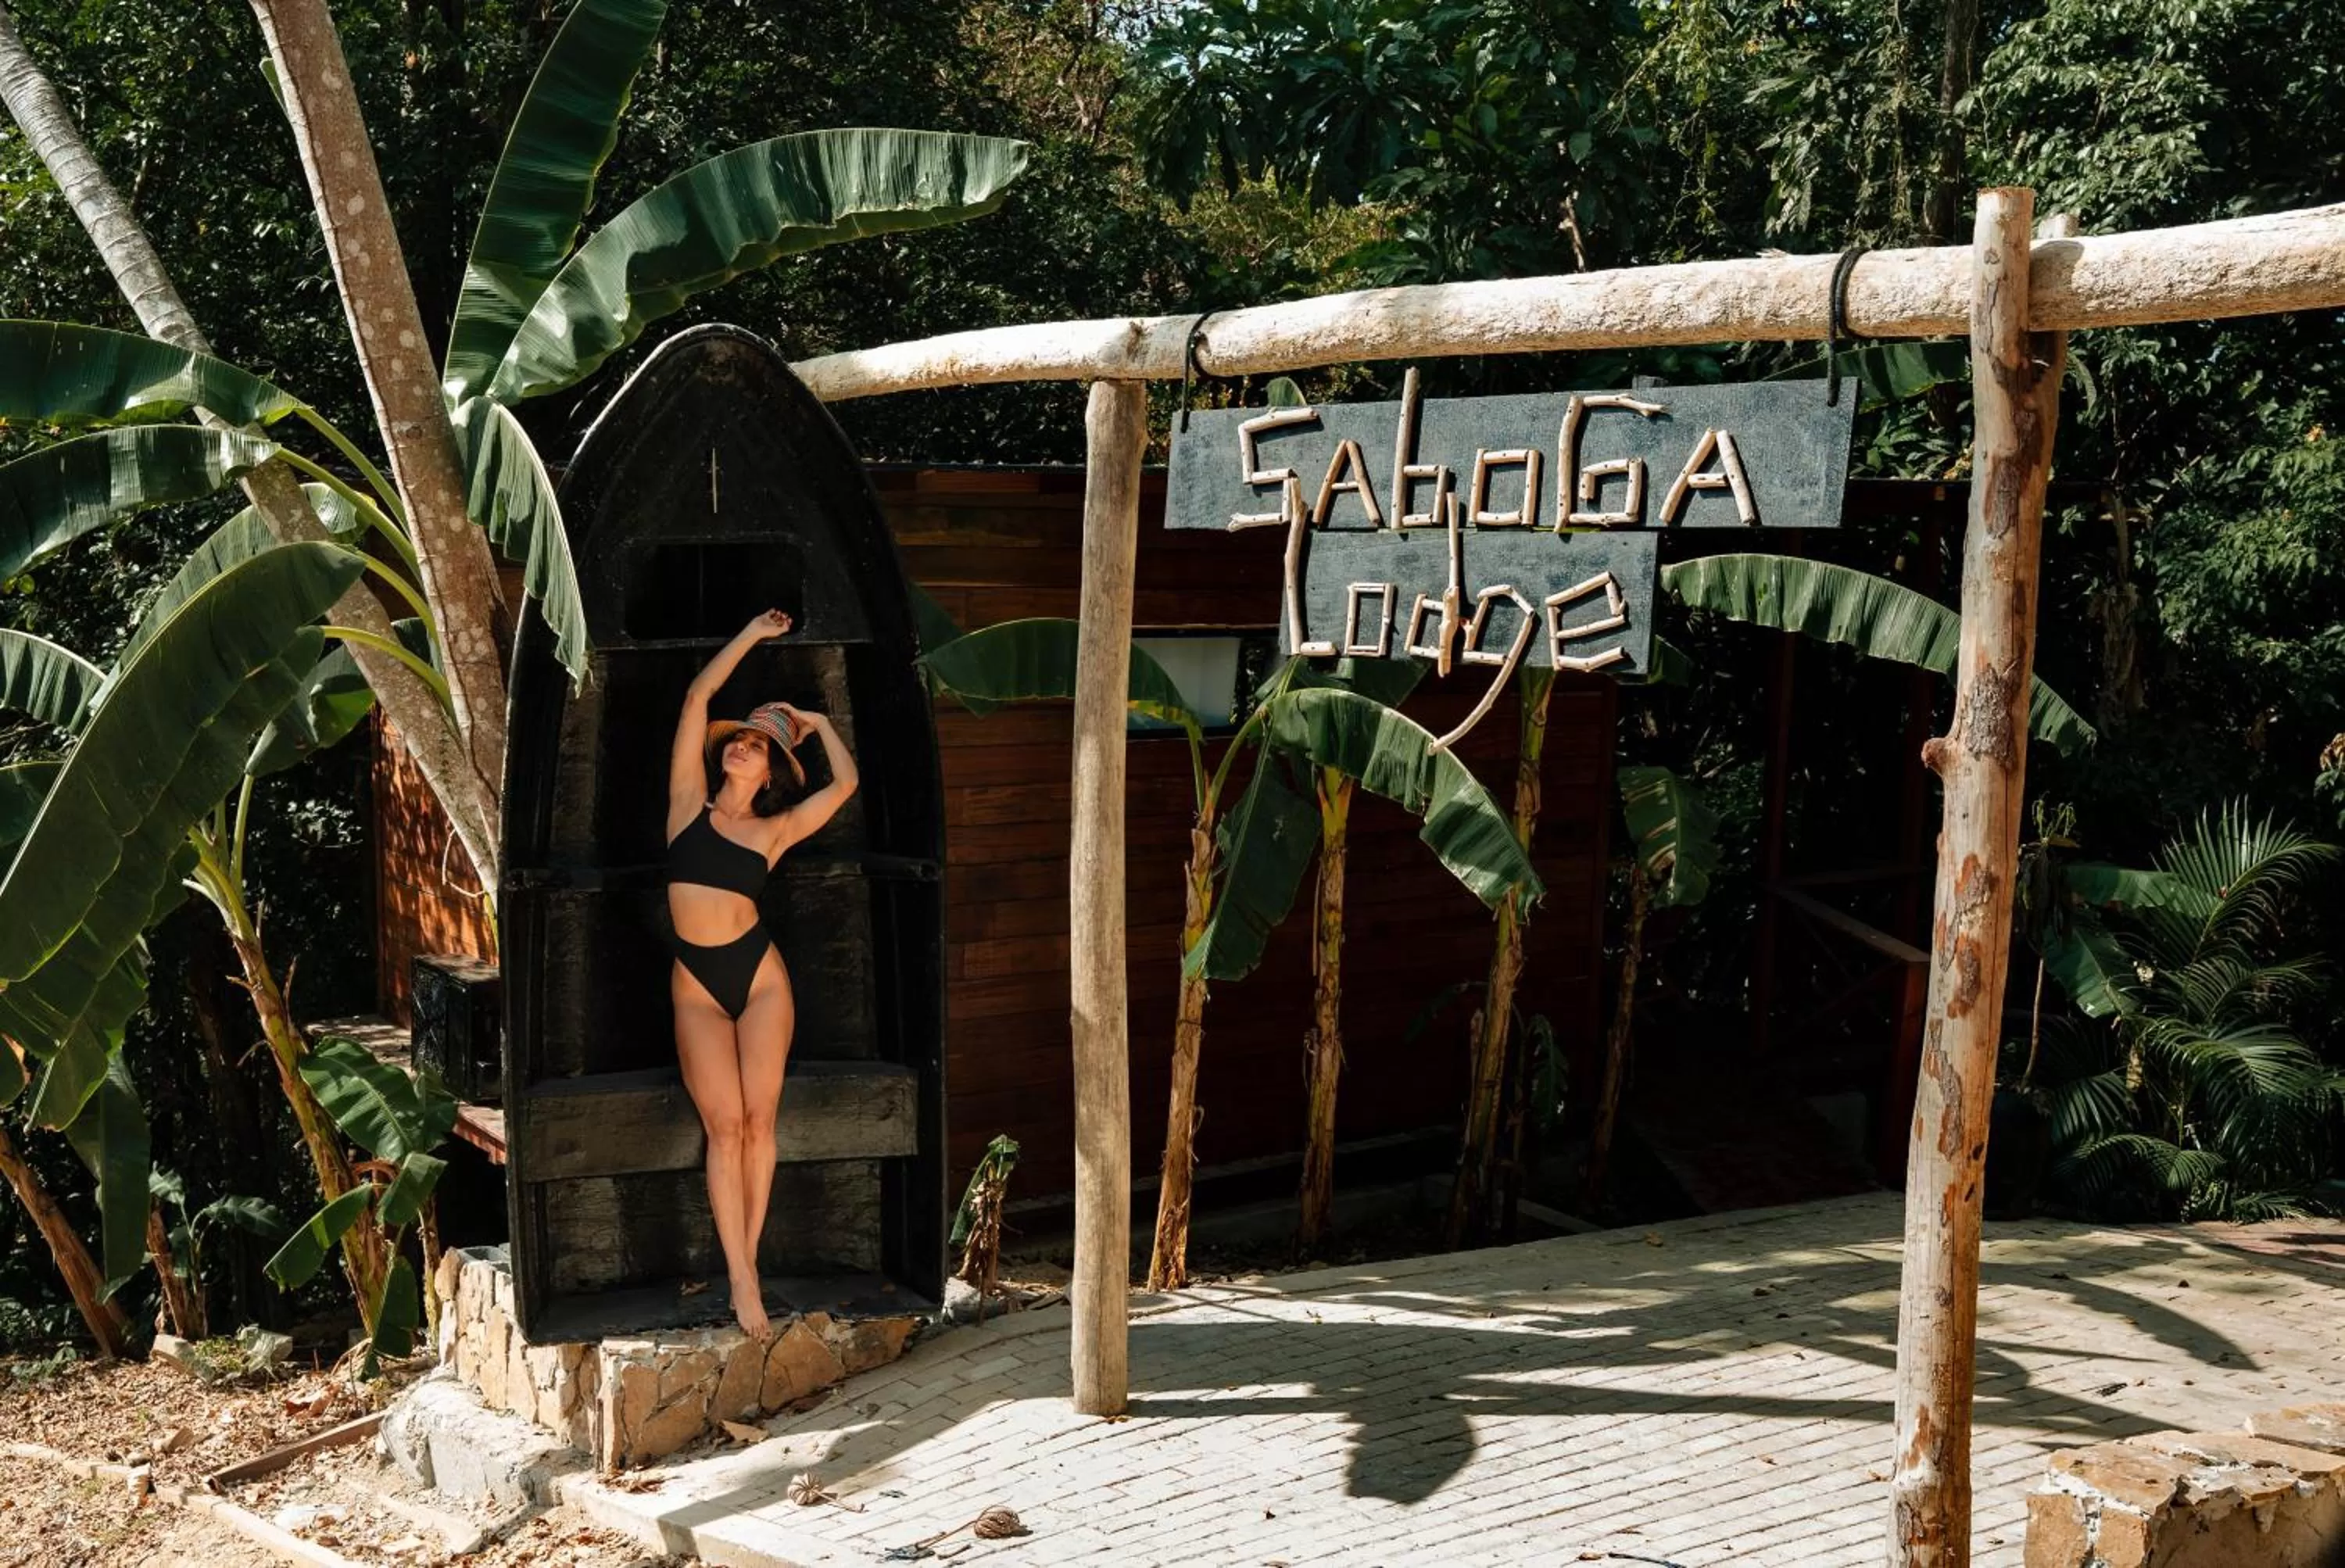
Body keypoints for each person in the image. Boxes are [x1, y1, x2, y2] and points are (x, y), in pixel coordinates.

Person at [665, 609, 858, 1337]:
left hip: (760, 977)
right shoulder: (687, 805)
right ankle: (745, 1277)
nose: (744, 746)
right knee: (724, 1128)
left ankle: (744, 1273)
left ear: (773, 769)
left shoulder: (774, 830)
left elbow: (845, 784)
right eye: (742, 738)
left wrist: (814, 718)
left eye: (758, 745)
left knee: (758, 1122)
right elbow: (696, 700)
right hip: (699, 983)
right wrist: (749, 633)